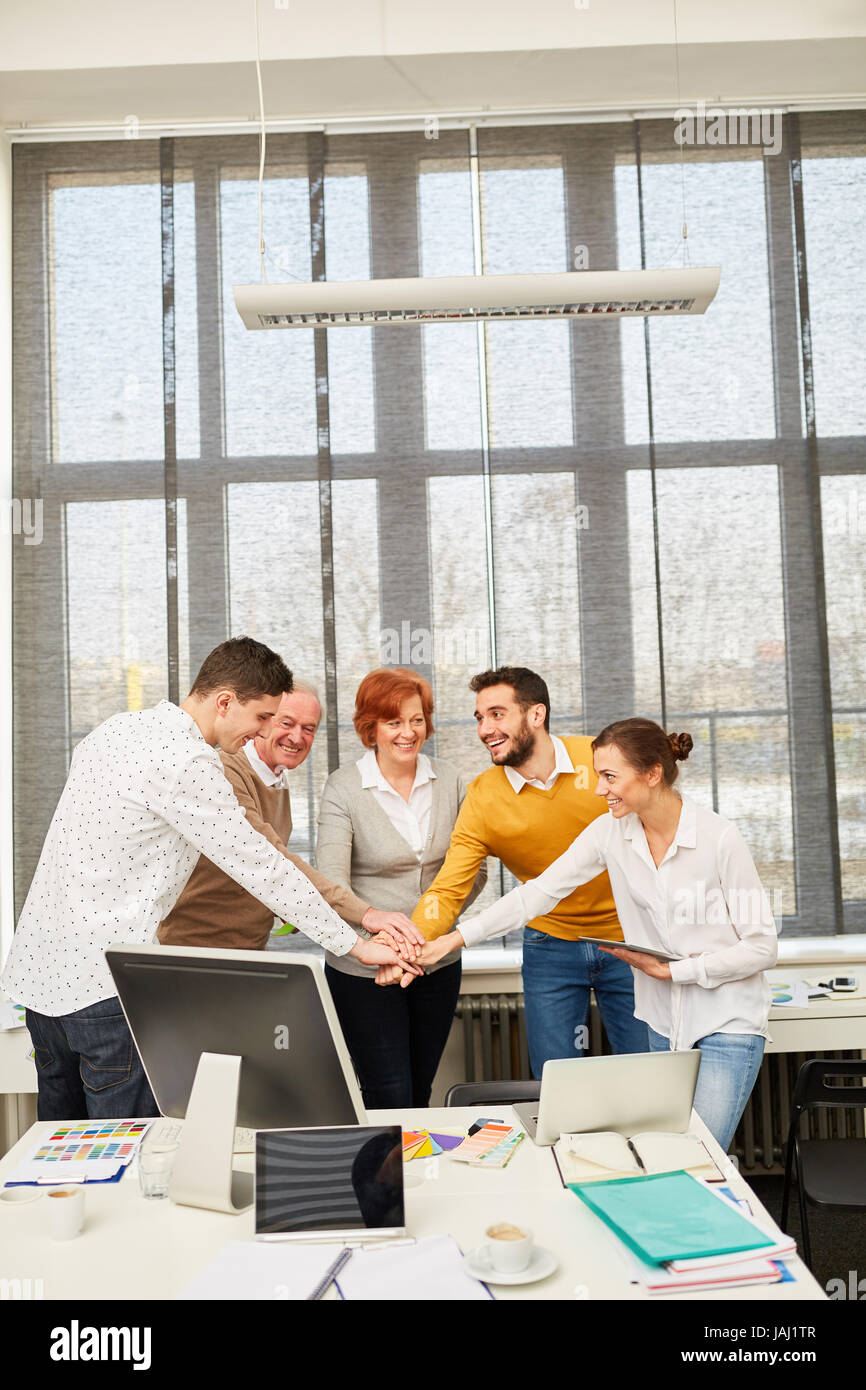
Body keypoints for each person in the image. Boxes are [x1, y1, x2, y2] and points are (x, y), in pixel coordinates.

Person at [1, 638, 420, 1121]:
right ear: (225, 702)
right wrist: (355, 943)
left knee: (62, 1154)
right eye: (263, 717)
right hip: (105, 992)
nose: (263, 732)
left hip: (42, 984)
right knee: (128, 1158)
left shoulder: (116, 729)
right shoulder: (189, 762)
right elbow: (260, 865)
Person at [415, 717, 778, 1152]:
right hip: (664, 1024)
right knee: (662, 1154)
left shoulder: (720, 839)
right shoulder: (610, 832)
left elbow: (762, 947)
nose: (598, 788)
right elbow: (539, 893)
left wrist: (677, 972)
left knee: (699, 1156)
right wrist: (453, 939)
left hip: (727, 1020)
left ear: (652, 773)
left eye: (610, 776)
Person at [379, 667, 649, 1077]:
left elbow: (659, 820)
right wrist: (410, 947)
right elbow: (448, 889)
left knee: (648, 1071)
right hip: (550, 946)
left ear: (536, 715)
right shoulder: (484, 797)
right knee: (556, 1081)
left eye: (497, 714)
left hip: (630, 939)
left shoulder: (598, 760)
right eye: (479, 718)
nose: (485, 728)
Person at [316, 667, 487, 1108]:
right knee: (387, 1095)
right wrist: (385, 945)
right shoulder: (344, 786)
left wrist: (418, 944)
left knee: (420, 1089)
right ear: (370, 727)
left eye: (417, 719)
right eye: (394, 722)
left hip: (437, 964)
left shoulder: (449, 780)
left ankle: (417, 1178)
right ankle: (382, 1180)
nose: (408, 732)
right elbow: (331, 883)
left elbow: (473, 871)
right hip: (365, 971)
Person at [159, 680, 423, 951]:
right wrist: (367, 915)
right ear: (264, 721)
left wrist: (292, 904)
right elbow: (273, 857)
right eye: (286, 723)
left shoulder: (276, 779)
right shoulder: (224, 772)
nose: (297, 737)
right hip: (193, 951)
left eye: (308, 729)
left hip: (247, 950)